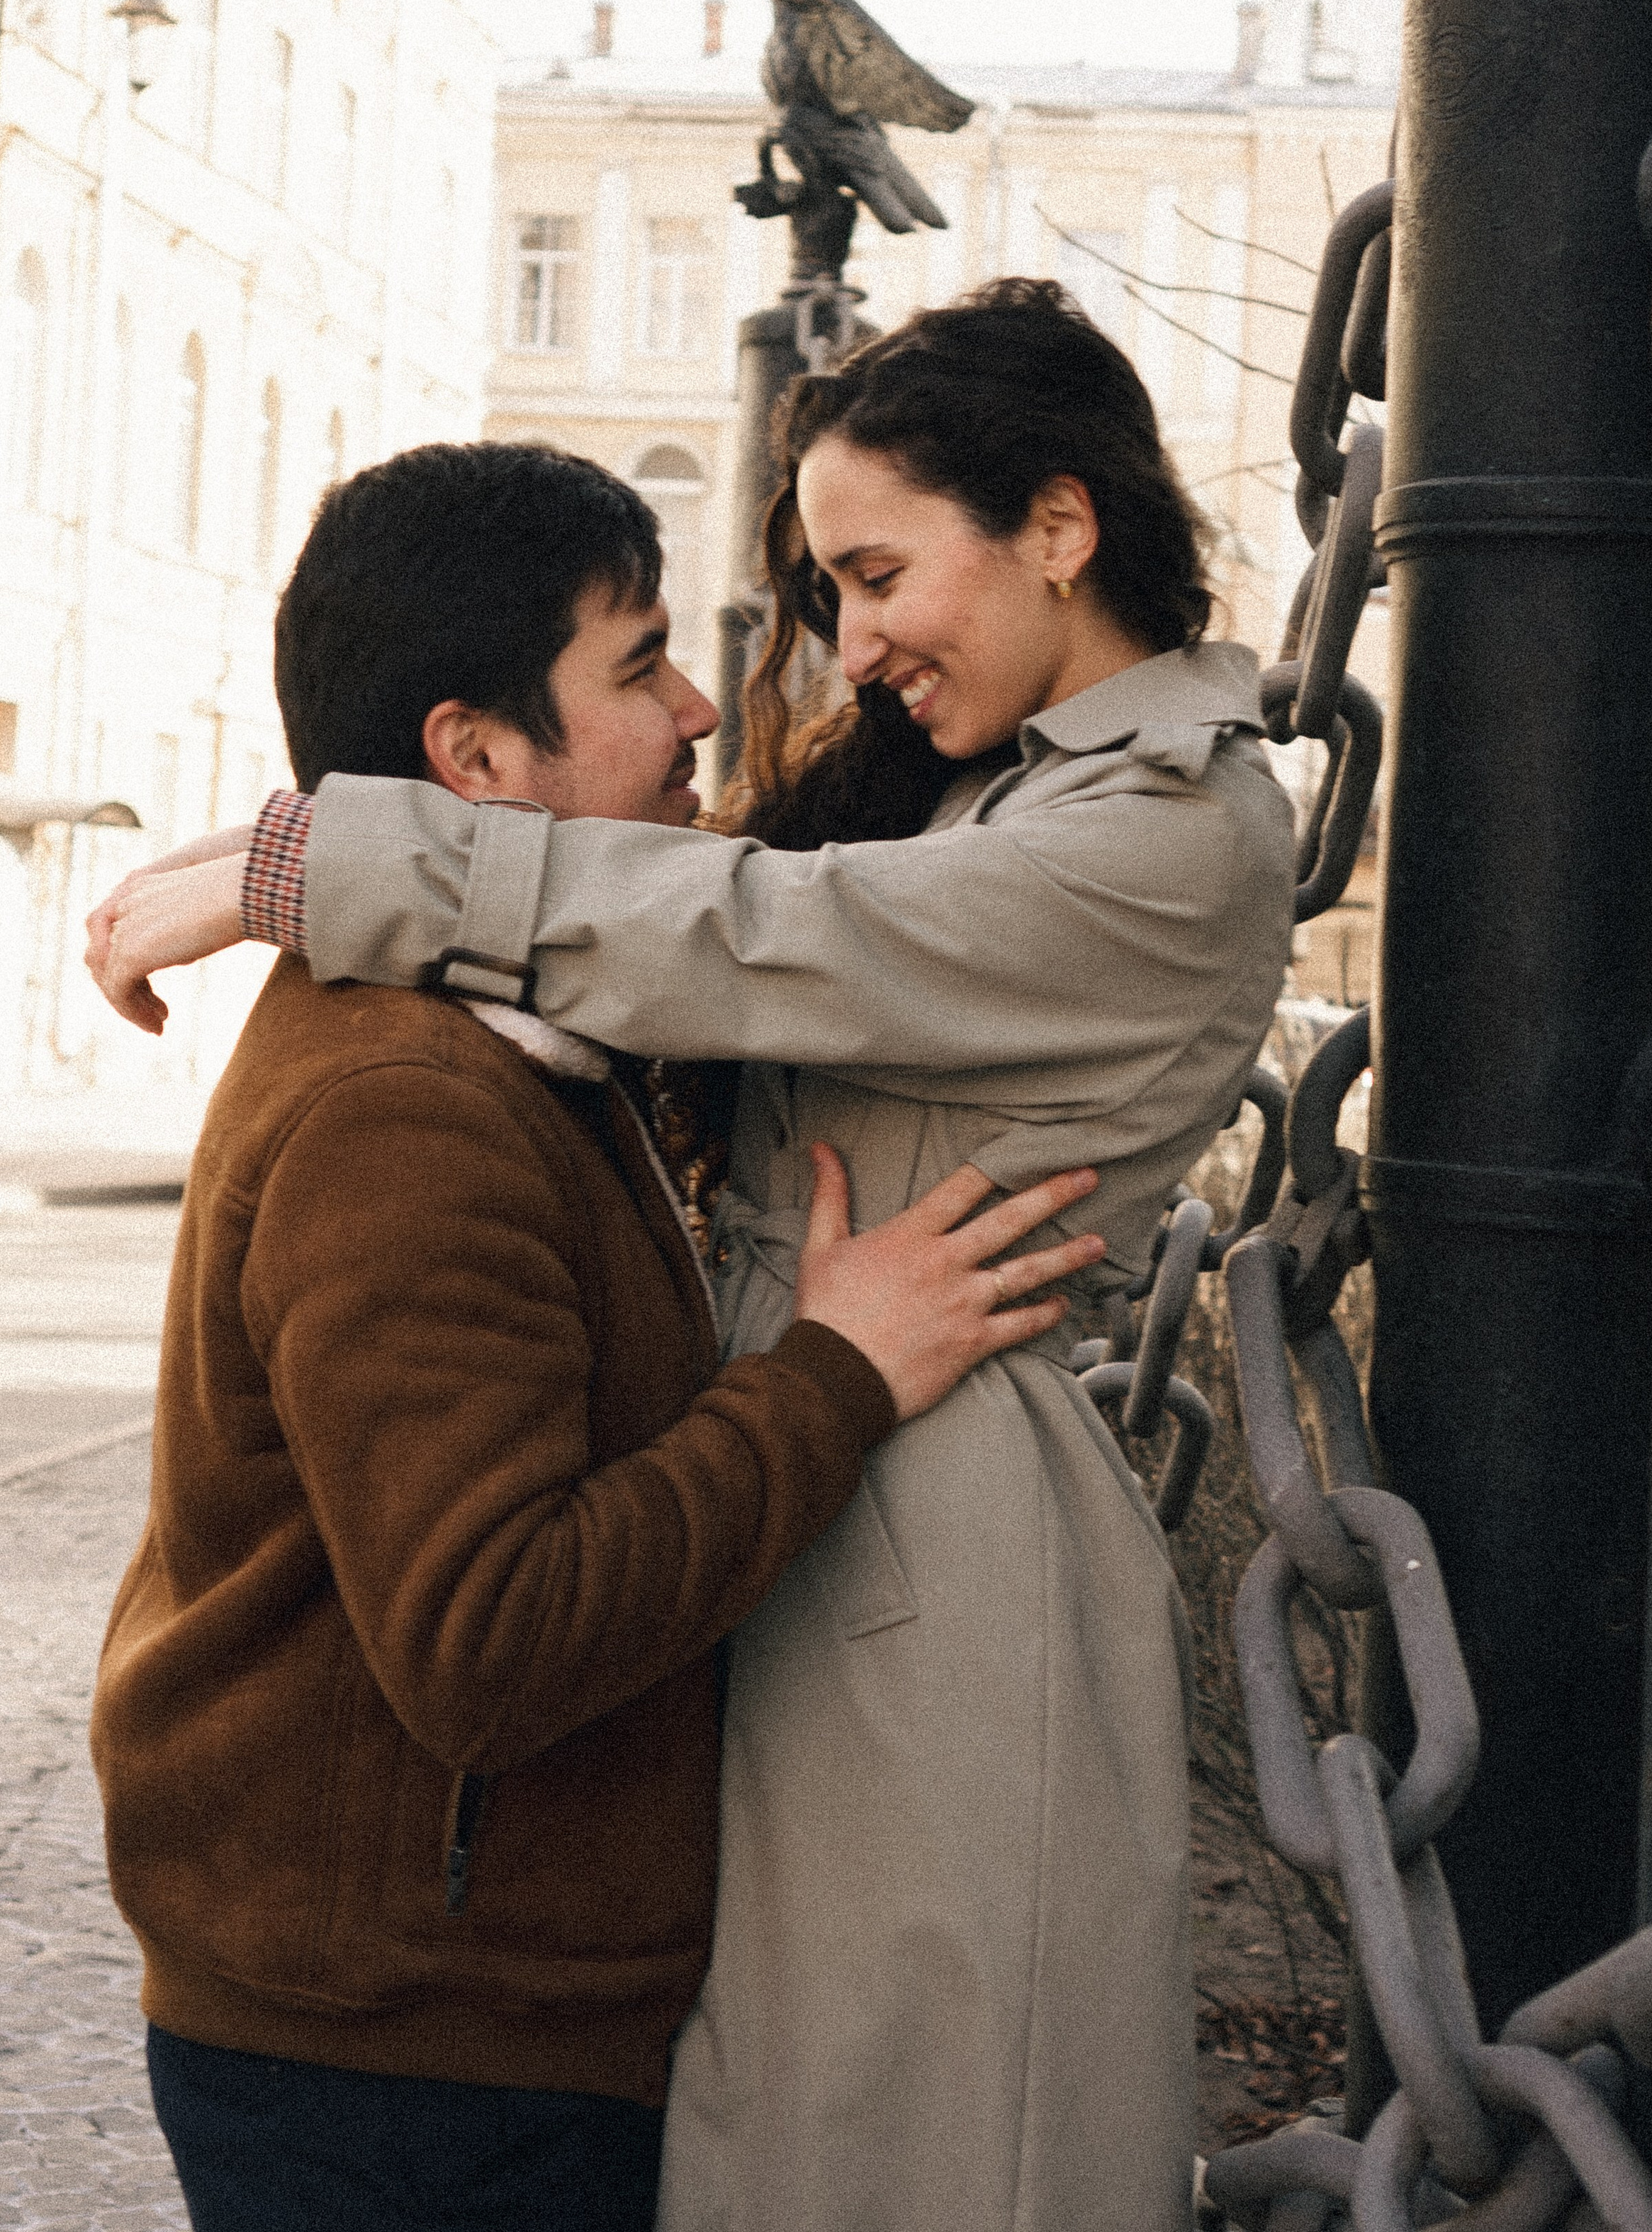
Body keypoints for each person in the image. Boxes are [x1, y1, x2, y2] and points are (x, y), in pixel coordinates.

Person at [94, 281, 1297, 2232]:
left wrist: (318, 860)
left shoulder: (1167, 829)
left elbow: (756, 936)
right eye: (825, 586)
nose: (843, 643)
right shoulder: (990, 785)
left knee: (916, 2141)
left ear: (1061, 531)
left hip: (923, 1531)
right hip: (814, 1471)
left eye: (880, 570)